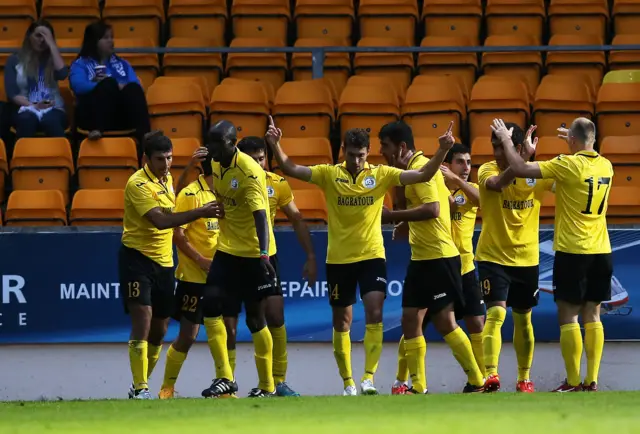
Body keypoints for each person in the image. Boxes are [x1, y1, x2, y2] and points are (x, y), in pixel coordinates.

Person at [266, 116, 447, 396]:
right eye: (352, 156)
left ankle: (368, 378)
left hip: (372, 255)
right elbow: (291, 167)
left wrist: (443, 150)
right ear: (343, 152)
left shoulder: (381, 174)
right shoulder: (329, 174)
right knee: (343, 322)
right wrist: (276, 145)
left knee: (375, 311)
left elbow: (422, 175)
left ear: (368, 154)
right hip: (339, 259)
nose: (357, 161)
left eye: (361, 156)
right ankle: (348, 382)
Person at [491, 117, 612, 392]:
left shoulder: (567, 164)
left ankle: (572, 381)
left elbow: (520, 167)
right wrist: (574, 139)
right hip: (602, 250)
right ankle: (592, 380)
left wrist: (508, 140)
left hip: (574, 251)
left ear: (571, 141)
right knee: (593, 315)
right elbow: (582, 153)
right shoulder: (607, 165)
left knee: (569, 317)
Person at [379, 121, 485, 395]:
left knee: (444, 322)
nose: (382, 151)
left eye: (385, 146)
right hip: (422, 256)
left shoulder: (420, 167)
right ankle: (418, 387)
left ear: (401, 146)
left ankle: (477, 379)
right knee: (410, 319)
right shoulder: (415, 169)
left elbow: (434, 208)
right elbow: (447, 203)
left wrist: (394, 217)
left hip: (439, 256)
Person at [119, 130, 223, 400]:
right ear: (145, 158)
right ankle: (142, 388)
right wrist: (201, 211)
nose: (165, 164)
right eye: (159, 159)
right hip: (137, 259)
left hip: (165, 262)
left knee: (160, 329)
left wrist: (189, 166)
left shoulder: (165, 179)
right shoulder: (137, 184)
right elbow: (162, 221)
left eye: (169, 158)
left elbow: (172, 197)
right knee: (143, 318)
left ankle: (137, 386)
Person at [222, 135, 317, 397]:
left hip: (265, 257)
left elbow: (296, 218)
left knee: (274, 316)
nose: (257, 163)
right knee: (229, 323)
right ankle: (227, 383)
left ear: (267, 158)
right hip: (233, 256)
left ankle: (278, 382)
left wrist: (310, 255)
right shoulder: (231, 180)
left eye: (261, 158)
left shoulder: (277, 184)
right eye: (251, 159)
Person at [199, 120, 279, 398]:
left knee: (255, 319)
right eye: (209, 143)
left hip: (253, 253)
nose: (210, 149)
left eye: (216, 144)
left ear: (232, 143)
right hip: (227, 249)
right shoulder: (216, 161)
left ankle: (267, 386)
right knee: (209, 303)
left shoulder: (250, 172)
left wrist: (264, 254)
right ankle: (224, 376)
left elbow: (261, 216)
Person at [475, 122, 555, 393]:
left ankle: (524, 378)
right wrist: (522, 159)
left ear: (518, 146)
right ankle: (491, 374)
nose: (497, 152)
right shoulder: (486, 169)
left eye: (502, 145)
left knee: (523, 319)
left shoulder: (538, 173)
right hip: (493, 255)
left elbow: (568, 185)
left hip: (527, 258)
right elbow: (498, 184)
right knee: (495, 313)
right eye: (495, 146)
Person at [157, 148, 222, 399]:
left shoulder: (229, 193)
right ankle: (167, 387)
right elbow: (177, 233)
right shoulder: (190, 194)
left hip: (221, 275)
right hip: (194, 277)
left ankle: (224, 386)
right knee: (188, 335)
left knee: (227, 332)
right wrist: (201, 260)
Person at [69, 20, 150, 150]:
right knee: (108, 83)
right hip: (92, 115)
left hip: (120, 115)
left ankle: (146, 134)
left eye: (111, 37)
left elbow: (135, 84)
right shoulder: (80, 64)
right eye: (106, 38)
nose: (111, 41)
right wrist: (97, 84)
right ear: (94, 41)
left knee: (133, 88)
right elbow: (78, 86)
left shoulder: (122, 63)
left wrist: (119, 87)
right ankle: (98, 129)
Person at [440, 143, 485, 375]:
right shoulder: (436, 187)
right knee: (417, 322)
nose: (466, 167)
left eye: (469, 162)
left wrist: (458, 182)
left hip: (466, 266)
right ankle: (406, 381)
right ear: (447, 165)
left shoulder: (470, 188)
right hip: (441, 265)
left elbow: (482, 201)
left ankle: (485, 377)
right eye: (460, 162)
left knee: (477, 323)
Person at [4, 20, 68, 139]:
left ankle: (60, 156)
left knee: (51, 121)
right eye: (38, 35)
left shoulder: (53, 59)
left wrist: (52, 45)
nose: (42, 40)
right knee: (26, 120)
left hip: (53, 107)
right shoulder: (14, 60)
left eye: (46, 37)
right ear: (29, 37)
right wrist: (34, 105)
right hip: (26, 107)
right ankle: (22, 156)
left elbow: (63, 74)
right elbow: (12, 93)